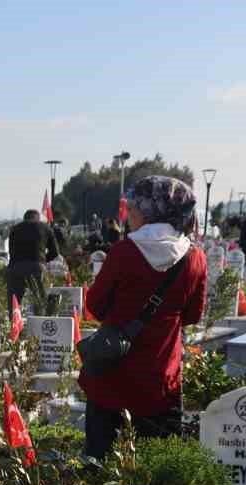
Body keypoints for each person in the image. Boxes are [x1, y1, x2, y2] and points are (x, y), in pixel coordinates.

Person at [78, 176, 208, 459]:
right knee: (157, 466)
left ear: (152, 210)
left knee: (100, 465)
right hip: (161, 377)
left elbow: (96, 306)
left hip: (113, 374)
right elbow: (193, 315)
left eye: (135, 207)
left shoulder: (125, 251)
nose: (129, 214)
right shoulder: (194, 257)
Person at [5, 209, 59, 312]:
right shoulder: (45, 227)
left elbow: (11, 252)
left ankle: (13, 324)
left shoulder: (15, 229)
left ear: (24, 218)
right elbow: (55, 252)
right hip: (36, 266)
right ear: (38, 218)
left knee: (14, 303)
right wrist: (43, 261)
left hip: (16, 267)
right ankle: (39, 323)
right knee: (40, 301)